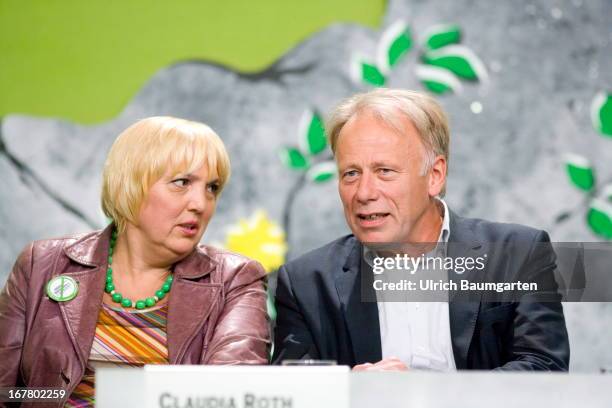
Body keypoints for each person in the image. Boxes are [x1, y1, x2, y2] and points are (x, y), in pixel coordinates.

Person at [272, 88, 569, 371]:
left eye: (384, 171)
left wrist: (424, 394)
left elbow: (543, 369)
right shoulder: (305, 283)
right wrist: (353, 391)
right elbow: (292, 392)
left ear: (435, 176)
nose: (363, 193)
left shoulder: (518, 254)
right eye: (351, 173)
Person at [0, 117, 270, 406]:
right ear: (130, 184)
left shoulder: (236, 279)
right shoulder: (41, 264)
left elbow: (231, 396)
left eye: (212, 188)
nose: (201, 204)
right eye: (182, 182)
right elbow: (7, 393)